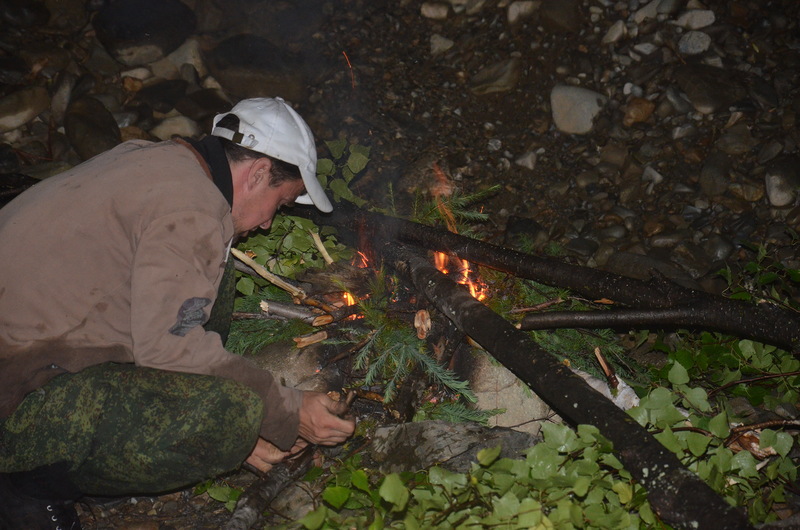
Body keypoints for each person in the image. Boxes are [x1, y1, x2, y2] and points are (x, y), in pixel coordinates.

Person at [0, 97, 356, 528]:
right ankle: (29, 485)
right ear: (259, 172)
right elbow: (170, 350)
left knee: (214, 284)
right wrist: (287, 410)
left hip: (31, 342)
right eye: (279, 204)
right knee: (233, 414)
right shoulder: (191, 209)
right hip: (17, 397)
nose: (267, 224)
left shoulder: (156, 159)